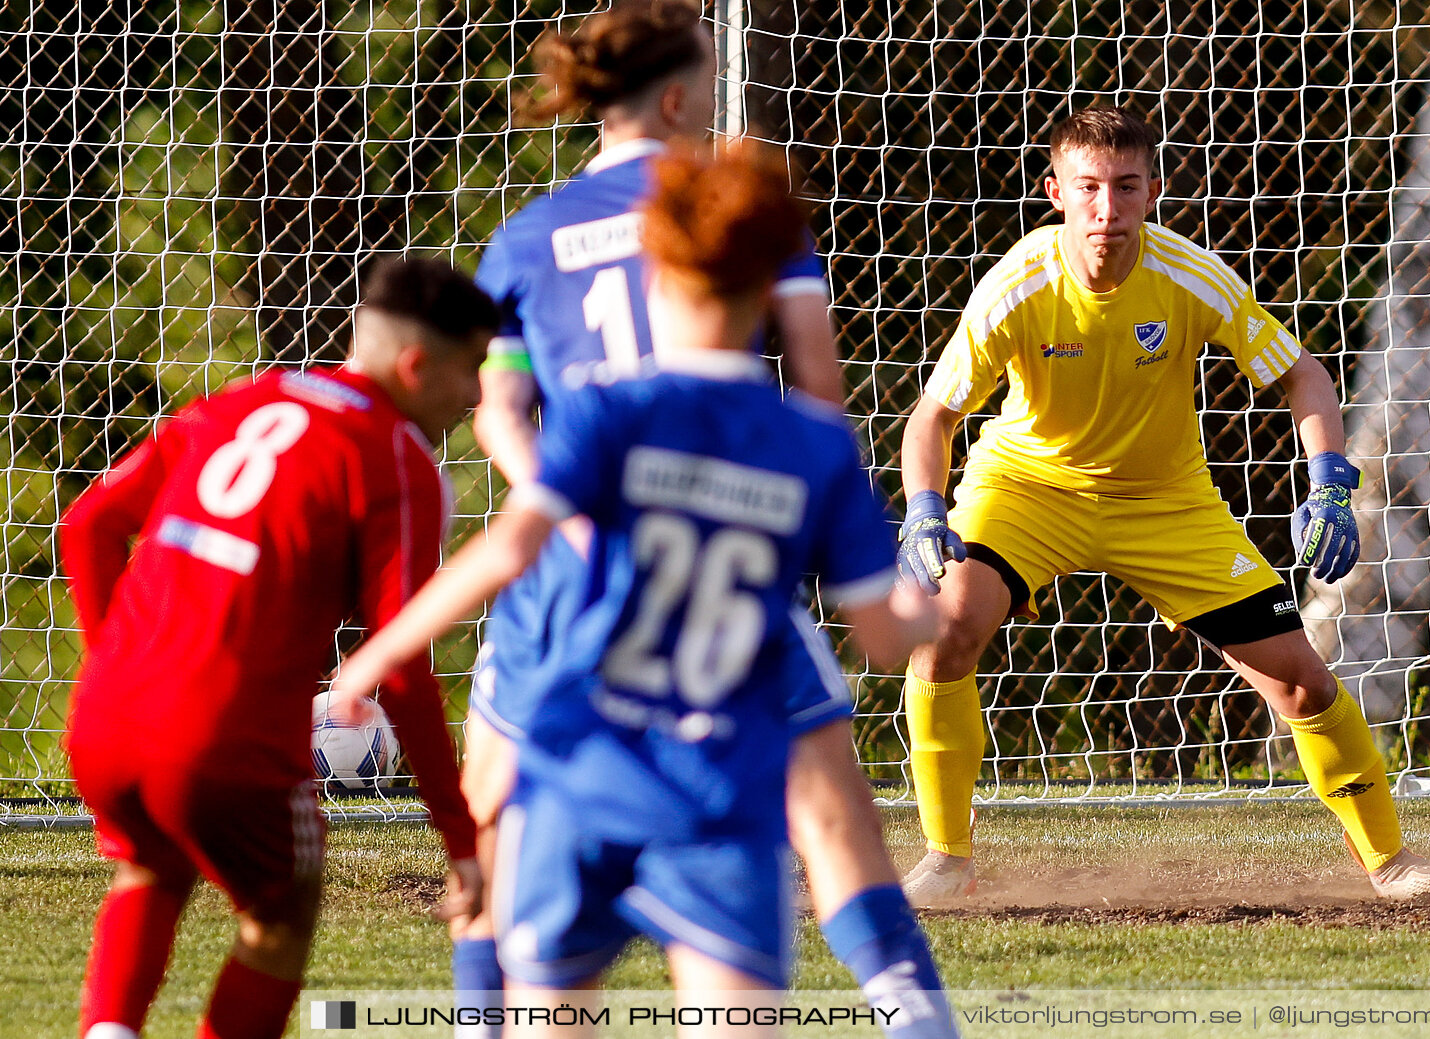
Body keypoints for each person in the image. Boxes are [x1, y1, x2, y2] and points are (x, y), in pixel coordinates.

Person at [330, 145, 942, 1037]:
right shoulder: (815, 446)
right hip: (718, 802)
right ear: (767, 297)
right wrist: (933, 607)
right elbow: (888, 640)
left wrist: (374, 655)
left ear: (660, 278)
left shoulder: (611, 413)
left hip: (579, 783)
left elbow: (507, 551)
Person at [459, 3, 958, 1035]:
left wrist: (576, 511)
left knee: (499, 816)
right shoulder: (741, 210)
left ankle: (481, 1018)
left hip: (569, 563)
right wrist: (818, 518)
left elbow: (500, 415)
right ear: (683, 96)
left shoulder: (525, 236)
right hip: (724, 547)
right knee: (825, 805)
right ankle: (913, 1012)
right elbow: (818, 385)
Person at [895, 105, 1430, 905]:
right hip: (1027, 489)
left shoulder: (1189, 274)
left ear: (1154, 191)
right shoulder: (1017, 285)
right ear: (1055, 192)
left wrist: (1332, 484)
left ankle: (1392, 864)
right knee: (947, 627)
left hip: (1164, 502)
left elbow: (1302, 375)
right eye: (1089, 188)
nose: (1108, 209)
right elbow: (933, 417)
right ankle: (946, 861)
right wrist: (926, 509)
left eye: (1126, 187)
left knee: (1302, 683)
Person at [61, 258, 493, 1039]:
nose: (475, 397)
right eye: (471, 371)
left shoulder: (242, 400)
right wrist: (459, 837)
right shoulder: (397, 459)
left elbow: (86, 525)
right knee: (282, 911)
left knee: (153, 863)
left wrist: (107, 667)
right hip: (219, 734)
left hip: (105, 717)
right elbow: (396, 659)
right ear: (417, 363)